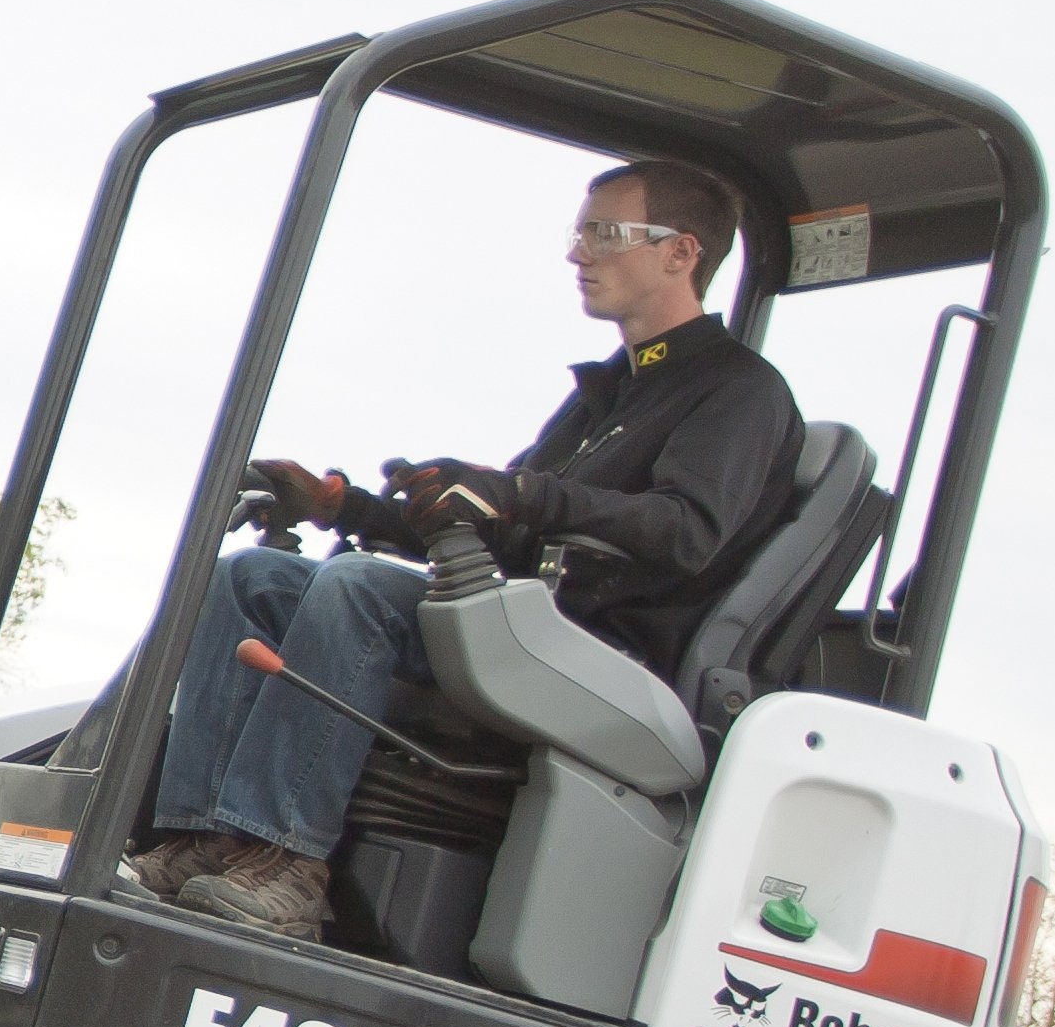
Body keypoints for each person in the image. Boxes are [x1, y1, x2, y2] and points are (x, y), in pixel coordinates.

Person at [139, 157, 800, 943]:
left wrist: (523, 493)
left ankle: (287, 860)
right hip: (523, 621)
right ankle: (202, 837)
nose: (578, 252)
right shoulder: (615, 390)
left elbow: (686, 532)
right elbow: (505, 526)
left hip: (605, 654)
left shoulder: (739, 392)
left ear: (680, 253)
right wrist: (343, 507)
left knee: (354, 591)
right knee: (251, 577)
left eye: (604, 233)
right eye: (578, 232)